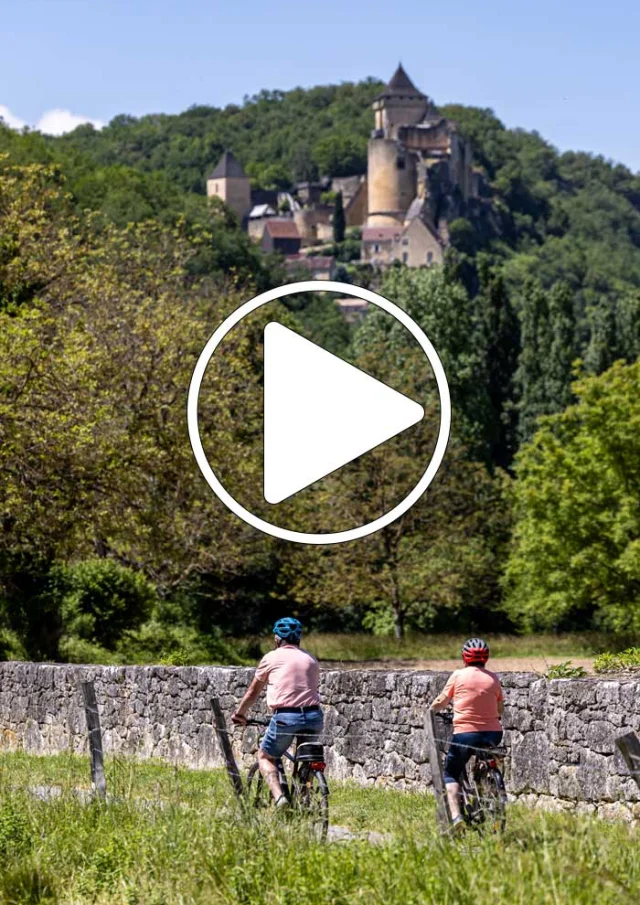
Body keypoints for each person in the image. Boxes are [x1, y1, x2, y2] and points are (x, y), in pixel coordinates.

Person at [231, 617, 322, 809]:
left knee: (265, 756)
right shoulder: (310, 659)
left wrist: (240, 713)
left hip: (285, 717)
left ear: (277, 638)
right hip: (314, 716)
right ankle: (304, 796)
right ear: (298, 638)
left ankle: (280, 798)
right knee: (305, 759)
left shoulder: (271, 658)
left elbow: (252, 692)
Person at [430, 637, 504, 830]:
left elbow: (441, 701)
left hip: (465, 734)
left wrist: (429, 711)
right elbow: (500, 709)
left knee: (451, 773)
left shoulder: (458, 675)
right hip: (493, 734)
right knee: (485, 757)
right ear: (486, 658)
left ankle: (456, 818)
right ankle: (487, 789)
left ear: (464, 657)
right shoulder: (493, 678)